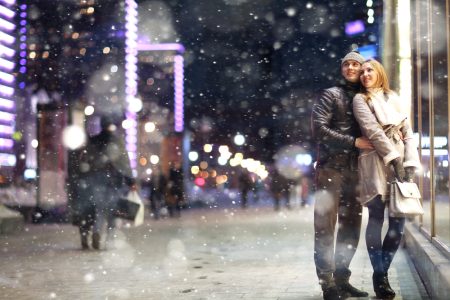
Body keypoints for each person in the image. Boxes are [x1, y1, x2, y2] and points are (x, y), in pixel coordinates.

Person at [352, 59, 421, 299]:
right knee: (376, 216)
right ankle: (380, 277)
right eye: (362, 72)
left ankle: (381, 273)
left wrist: (409, 163)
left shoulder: (394, 97)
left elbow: (408, 133)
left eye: (369, 70)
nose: (365, 75)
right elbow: (372, 130)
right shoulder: (360, 99)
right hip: (373, 161)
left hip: (400, 160)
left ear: (380, 72)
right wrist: (393, 158)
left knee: (398, 223)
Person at [311, 50, 372, 300]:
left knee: (351, 227)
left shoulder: (367, 97)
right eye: (346, 63)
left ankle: (342, 278)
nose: (350, 67)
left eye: (355, 64)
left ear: (362, 69)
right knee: (325, 227)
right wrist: (353, 142)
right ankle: (327, 283)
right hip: (330, 169)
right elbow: (319, 129)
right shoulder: (330, 95)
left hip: (356, 171)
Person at [78, 115, 136, 250]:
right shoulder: (117, 141)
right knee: (113, 212)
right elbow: (125, 163)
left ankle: (97, 232)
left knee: (99, 210)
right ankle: (109, 237)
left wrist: (86, 175)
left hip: (96, 180)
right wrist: (130, 180)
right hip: (114, 181)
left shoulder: (94, 141)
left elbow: (86, 160)